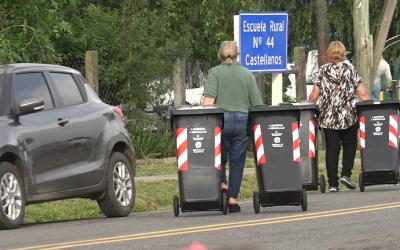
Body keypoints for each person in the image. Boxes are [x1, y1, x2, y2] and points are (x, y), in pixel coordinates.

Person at [202, 41, 263, 212]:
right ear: (238, 55)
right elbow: (257, 104)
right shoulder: (247, 73)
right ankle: (233, 200)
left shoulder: (215, 72)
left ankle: (222, 185)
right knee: (237, 161)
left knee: (218, 157)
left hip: (220, 120)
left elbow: (208, 103)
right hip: (243, 121)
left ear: (220, 55)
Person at [308, 41, 369, 192]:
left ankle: (333, 184)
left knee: (332, 149)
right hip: (349, 117)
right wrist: (369, 107)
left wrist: (308, 106)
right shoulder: (350, 69)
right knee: (350, 145)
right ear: (343, 53)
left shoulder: (322, 71)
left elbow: (314, 96)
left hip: (328, 118)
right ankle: (346, 174)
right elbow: (363, 93)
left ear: (329, 53)